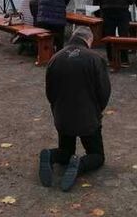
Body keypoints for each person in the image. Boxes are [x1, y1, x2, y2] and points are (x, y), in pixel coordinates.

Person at [39, 27, 111, 192]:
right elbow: (104, 91)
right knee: (97, 156)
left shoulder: (55, 59)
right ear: (89, 40)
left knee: (65, 152)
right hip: (88, 118)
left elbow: (50, 92)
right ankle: (80, 164)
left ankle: (50, 155)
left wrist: (57, 109)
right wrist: (97, 111)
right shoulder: (95, 59)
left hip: (63, 117)